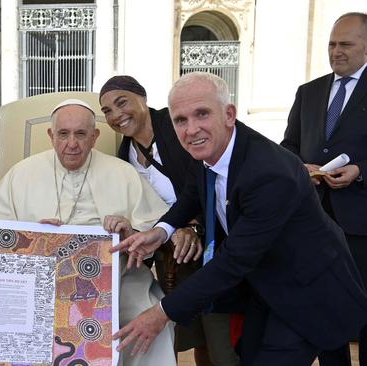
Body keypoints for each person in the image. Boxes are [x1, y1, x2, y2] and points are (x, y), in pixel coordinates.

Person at [110, 72, 367, 365]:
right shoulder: (210, 148)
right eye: (180, 120)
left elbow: (233, 261)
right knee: (249, 353)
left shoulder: (269, 173)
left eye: (202, 114)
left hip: (310, 288)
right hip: (266, 282)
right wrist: (162, 231)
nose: (191, 129)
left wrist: (160, 314)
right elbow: (194, 192)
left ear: (229, 114)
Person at [0, 98, 175, 366]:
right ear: (51, 135)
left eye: (81, 134)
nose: (71, 144)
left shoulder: (123, 173)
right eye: (63, 134)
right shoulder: (21, 174)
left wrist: (130, 231)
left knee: (147, 319)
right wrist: (31, 237)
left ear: (94, 137)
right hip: (39, 283)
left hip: (118, 280)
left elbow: (157, 226)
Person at [99, 75, 239, 366]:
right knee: (193, 334)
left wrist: (193, 226)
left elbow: (205, 181)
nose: (116, 115)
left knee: (220, 341)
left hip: (211, 243)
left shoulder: (176, 129)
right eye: (107, 111)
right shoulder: (125, 154)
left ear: (144, 98)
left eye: (122, 102)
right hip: (170, 251)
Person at [281, 12, 367, 366]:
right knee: (324, 306)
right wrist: (300, 167)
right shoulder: (309, 92)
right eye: (332, 44)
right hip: (313, 220)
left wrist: (360, 170)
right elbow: (288, 146)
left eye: (345, 44)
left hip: (361, 226)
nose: (336, 52)